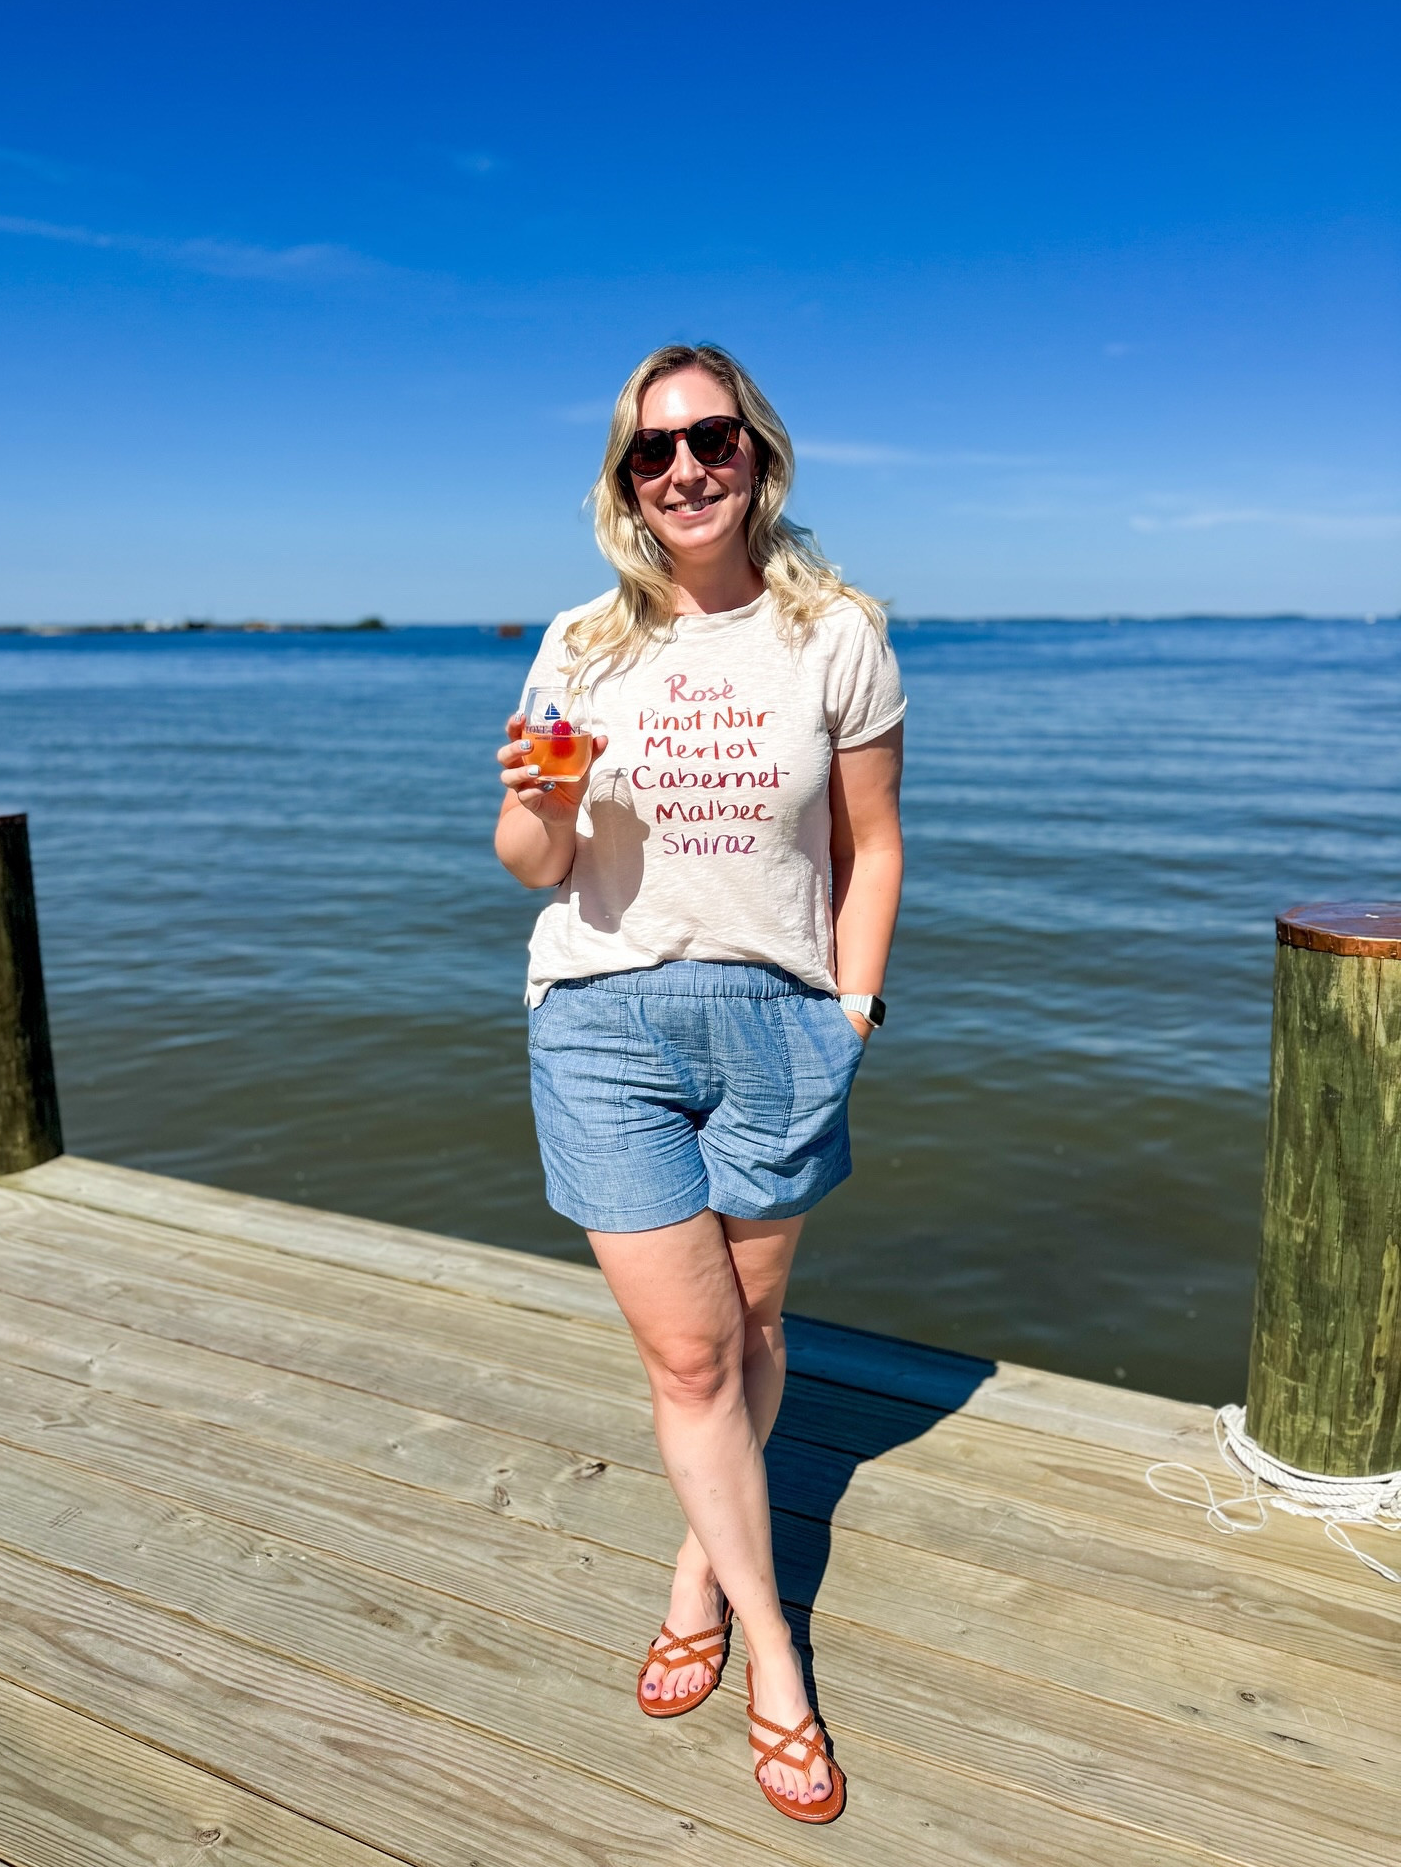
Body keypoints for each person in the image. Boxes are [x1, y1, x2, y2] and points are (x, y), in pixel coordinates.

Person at [494, 343, 904, 1825]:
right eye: (650, 453)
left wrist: (851, 1007)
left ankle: (696, 1565)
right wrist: (538, 803)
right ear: (622, 481)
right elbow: (532, 865)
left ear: (756, 452)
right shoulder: (579, 646)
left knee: (757, 1330)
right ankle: (774, 1653)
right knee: (688, 1357)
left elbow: (872, 846)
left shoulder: (838, 636)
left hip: (784, 1024)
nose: (683, 470)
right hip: (602, 1019)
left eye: (709, 439)